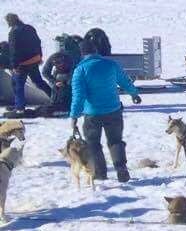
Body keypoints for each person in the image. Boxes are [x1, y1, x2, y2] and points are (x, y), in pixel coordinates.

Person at [69, 33, 141, 182]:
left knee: (93, 144)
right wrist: (134, 93)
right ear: (96, 50)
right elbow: (124, 81)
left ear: (82, 54)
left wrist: (74, 115)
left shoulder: (80, 70)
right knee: (116, 141)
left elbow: (78, 95)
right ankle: (121, 168)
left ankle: (100, 173)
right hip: (113, 110)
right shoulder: (111, 64)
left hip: (92, 114)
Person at [4, 13, 53, 113]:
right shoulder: (29, 28)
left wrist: (14, 66)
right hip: (33, 60)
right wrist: (39, 56)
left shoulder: (14, 32)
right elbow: (38, 42)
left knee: (17, 84)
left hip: (21, 64)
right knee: (38, 81)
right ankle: (55, 98)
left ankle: (19, 107)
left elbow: (14, 50)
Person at [42, 34, 81, 116]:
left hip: (70, 80)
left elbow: (74, 72)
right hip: (58, 80)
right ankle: (56, 102)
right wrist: (54, 81)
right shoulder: (53, 57)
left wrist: (67, 83)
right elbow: (45, 72)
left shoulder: (72, 58)